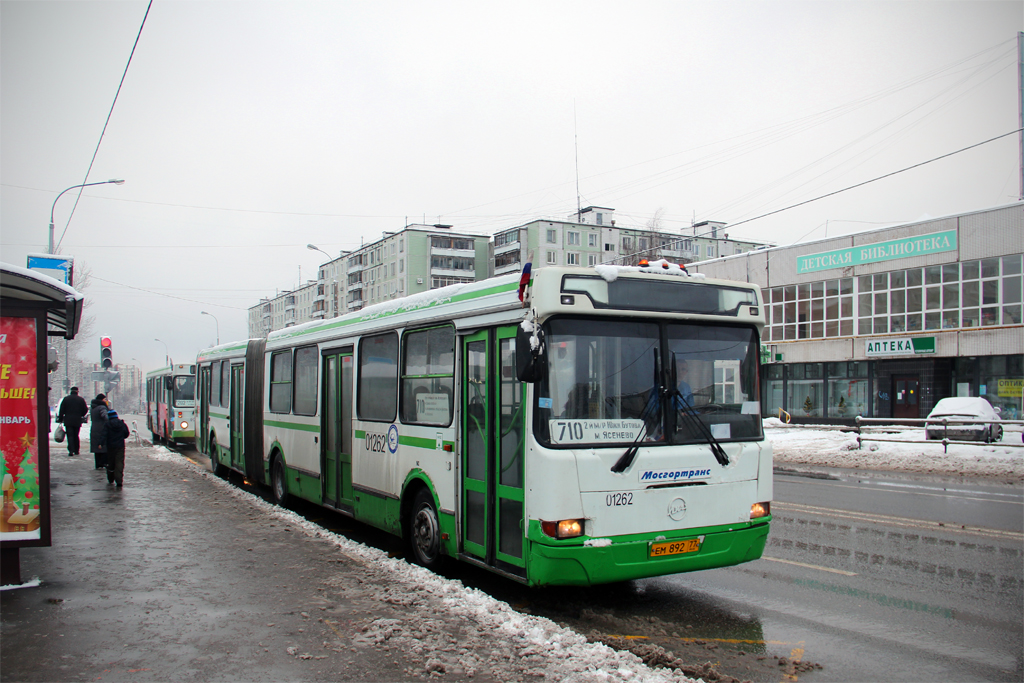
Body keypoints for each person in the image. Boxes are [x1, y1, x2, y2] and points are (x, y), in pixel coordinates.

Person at [56, 387, 88, 457]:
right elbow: (85, 409)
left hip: (68, 420)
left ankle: (71, 450)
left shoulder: (66, 399)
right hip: (77, 420)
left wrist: (61, 419)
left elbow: (61, 410)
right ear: (77, 391)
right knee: (76, 435)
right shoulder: (81, 399)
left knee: (70, 435)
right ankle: (76, 450)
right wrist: (81, 415)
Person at [103, 409, 130, 487]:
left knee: (110, 462)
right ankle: (119, 480)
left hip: (110, 446)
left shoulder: (107, 424)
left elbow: (104, 435)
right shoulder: (122, 424)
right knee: (119, 462)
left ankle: (110, 479)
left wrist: (100, 443)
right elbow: (126, 434)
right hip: (120, 446)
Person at [89, 394, 109, 470]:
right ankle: (103, 462)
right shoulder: (102, 407)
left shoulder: (93, 408)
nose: (106, 400)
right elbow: (105, 417)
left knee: (96, 447)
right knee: (103, 445)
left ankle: (98, 464)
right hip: (102, 428)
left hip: (94, 428)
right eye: (104, 399)